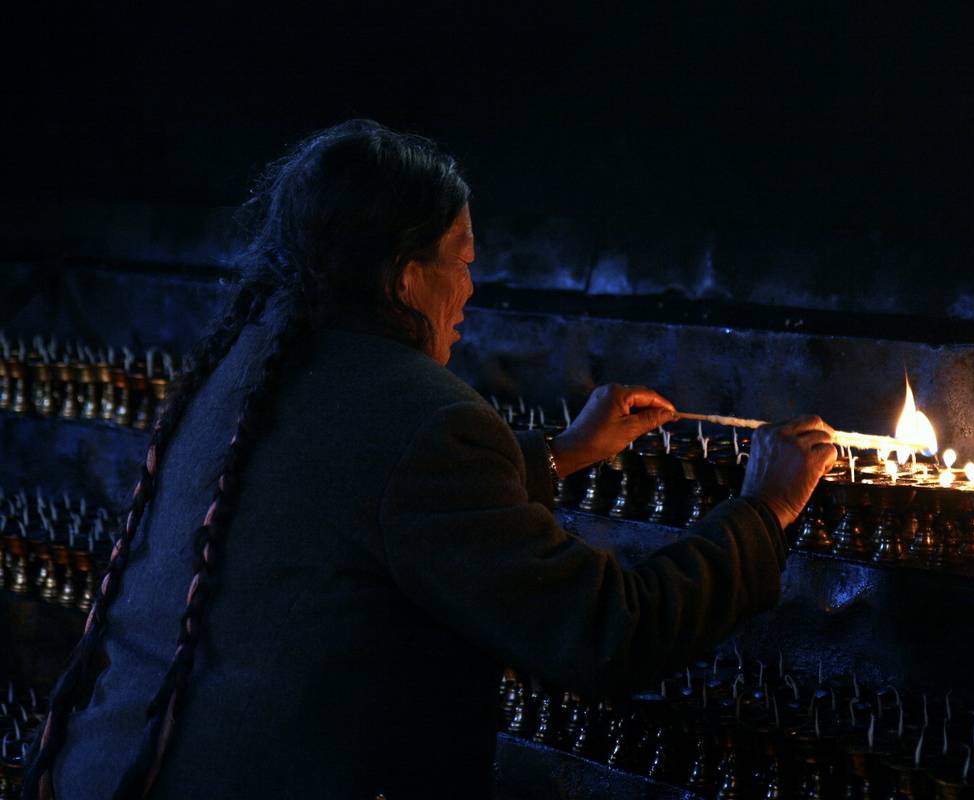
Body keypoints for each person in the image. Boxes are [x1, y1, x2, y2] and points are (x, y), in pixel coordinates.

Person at [26, 119, 836, 799]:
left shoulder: (249, 370)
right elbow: (604, 633)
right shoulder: (426, 419)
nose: (471, 289)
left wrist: (558, 456)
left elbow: (372, 505)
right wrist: (763, 509)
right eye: (464, 260)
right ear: (406, 277)